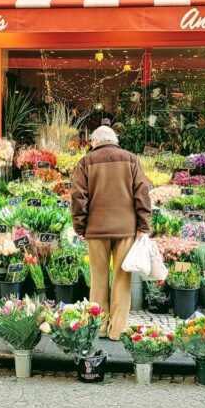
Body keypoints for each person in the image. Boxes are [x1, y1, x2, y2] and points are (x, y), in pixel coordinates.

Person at [70, 126, 151, 340]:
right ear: (114, 140)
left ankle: (99, 326)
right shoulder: (131, 159)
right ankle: (117, 330)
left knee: (98, 279)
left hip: (96, 231)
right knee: (122, 278)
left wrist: (79, 226)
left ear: (94, 142)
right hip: (126, 230)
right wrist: (144, 225)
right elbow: (142, 193)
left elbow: (78, 198)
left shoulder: (86, 162)